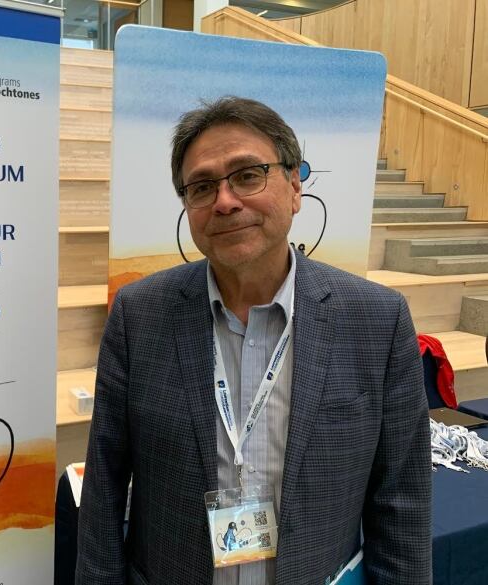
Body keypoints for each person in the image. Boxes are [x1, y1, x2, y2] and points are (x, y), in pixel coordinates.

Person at [75, 97, 431, 585]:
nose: (224, 201)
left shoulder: (376, 320)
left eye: (248, 175)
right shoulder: (140, 315)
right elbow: (105, 487)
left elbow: (401, 501)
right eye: (202, 186)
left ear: (294, 187)